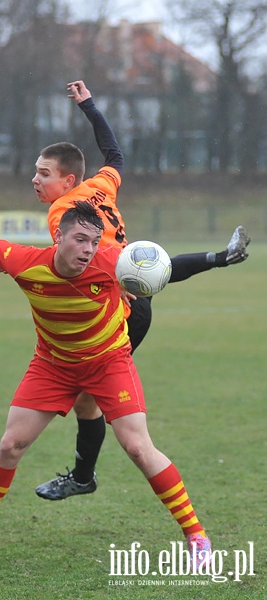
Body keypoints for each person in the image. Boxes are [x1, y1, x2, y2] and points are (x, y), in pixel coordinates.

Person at [0, 201, 213, 570]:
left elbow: (159, 268)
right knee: (9, 445)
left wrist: (150, 279)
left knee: (137, 447)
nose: (87, 249)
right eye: (80, 239)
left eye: (94, 241)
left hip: (109, 362)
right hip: (52, 366)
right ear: (58, 236)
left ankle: (196, 535)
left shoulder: (113, 261)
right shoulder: (23, 260)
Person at [31, 80, 251, 501]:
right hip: (131, 299)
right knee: (86, 401)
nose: (35, 180)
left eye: (44, 174)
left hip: (119, 307)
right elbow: (114, 153)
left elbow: (81, 258)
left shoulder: (63, 211)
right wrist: (90, 107)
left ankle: (85, 477)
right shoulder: (101, 186)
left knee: (102, 409)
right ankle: (83, 476)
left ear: (67, 180)